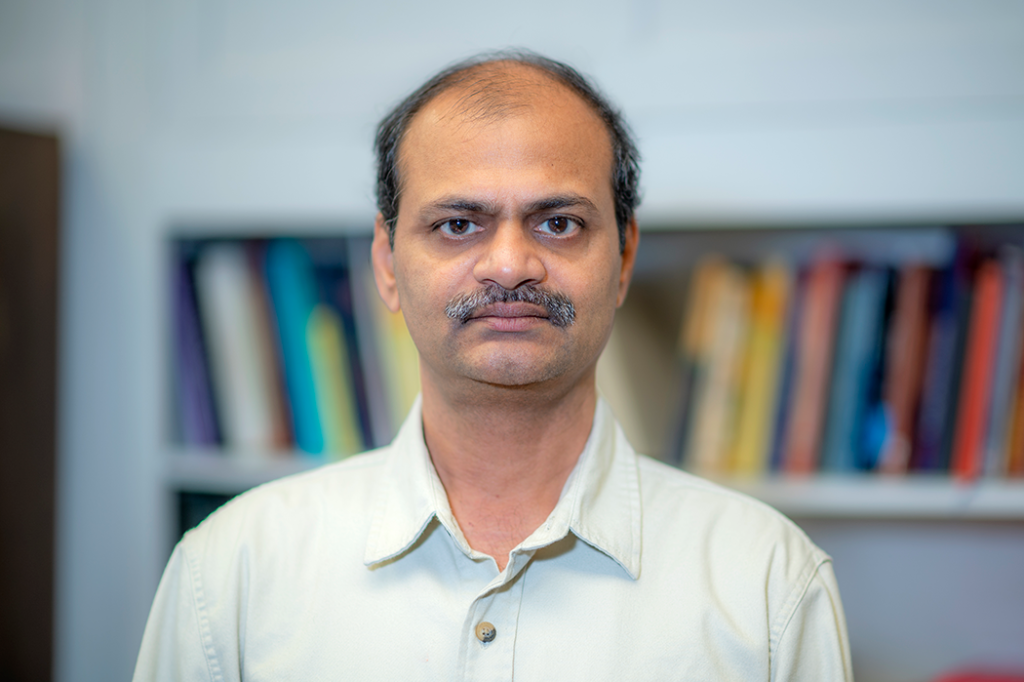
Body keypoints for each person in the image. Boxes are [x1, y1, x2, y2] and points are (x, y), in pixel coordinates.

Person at [134, 50, 853, 681]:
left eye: (559, 222)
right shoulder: (231, 573)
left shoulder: (768, 585)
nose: (510, 263)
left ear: (624, 257)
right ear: (385, 262)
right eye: (458, 224)